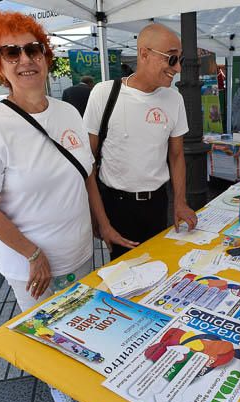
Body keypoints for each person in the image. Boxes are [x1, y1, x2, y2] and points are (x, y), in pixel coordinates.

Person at [0, 11, 131, 402]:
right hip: (30, 263)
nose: (25, 59)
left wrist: (104, 226)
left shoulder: (67, 113)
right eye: (11, 52)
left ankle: (80, 374)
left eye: (33, 48)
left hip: (77, 249)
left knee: (81, 319)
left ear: (46, 55)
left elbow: (86, 174)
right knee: (48, 329)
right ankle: (61, 386)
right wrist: (32, 252)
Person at [82, 23, 197, 261]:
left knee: (159, 267)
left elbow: (176, 155)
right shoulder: (104, 93)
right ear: (144, 54)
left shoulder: (174, 98)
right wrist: (100, 220)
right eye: (171, 59)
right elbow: (87, 164)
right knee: (124, 277)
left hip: (157, 202)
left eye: (180, 60)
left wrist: (180, 202)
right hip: (117, 205)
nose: (177, 68)